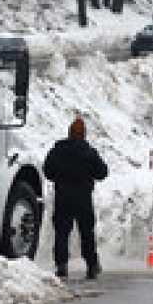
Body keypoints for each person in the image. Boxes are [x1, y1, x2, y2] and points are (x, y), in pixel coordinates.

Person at [42, 115, 108, 279]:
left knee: (62, 232)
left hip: (63, 197)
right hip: (83, 198)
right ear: (83, 134)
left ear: (69, 133)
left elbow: (47, 170)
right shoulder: (89, 152)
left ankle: (61, 265)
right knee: (86, 232)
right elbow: (102, 172)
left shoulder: (58, 150)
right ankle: (92, 265)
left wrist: (60, 177)